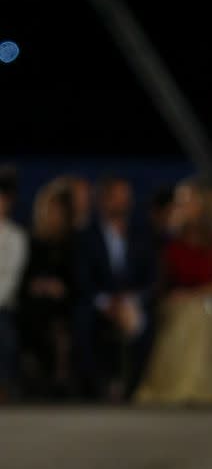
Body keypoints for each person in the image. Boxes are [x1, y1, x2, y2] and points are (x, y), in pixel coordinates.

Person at [134, 177, 212, 406]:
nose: (181, 206)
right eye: (179, 201)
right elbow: (159, 283)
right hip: (173, 304)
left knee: (196, 315)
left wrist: (192, 296)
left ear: (201, 205)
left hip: (207, 304)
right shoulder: (168, 241)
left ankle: (194, 384)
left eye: (187, 201)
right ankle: (171, 384)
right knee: (186, 315)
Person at [73, 175, 158, 401]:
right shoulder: (85, 236)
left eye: (125, 197)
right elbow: (82, 279)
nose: (123, 203)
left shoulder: (141, 235)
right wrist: (106, 303)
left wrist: (132, 300)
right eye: (116, 197)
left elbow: (151, 278)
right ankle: (96, 389)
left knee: (148, 322)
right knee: (83, 320)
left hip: (133, 301)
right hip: (98, 302)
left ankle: (133, 388)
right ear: (103, 200)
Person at [17, 178, 77, 398]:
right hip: (34, 303)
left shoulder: (73, 242)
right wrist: (40, 285)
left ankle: (60, 376)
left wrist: (60, 288)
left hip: (65, 301)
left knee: (60, 319)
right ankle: (44, 375)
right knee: (38, 312)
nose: (53, 214)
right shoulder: (32, 240)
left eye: (58, 209)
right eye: (49, 208)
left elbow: (76, 280)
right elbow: (23, 279)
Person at [0, 166, 29, 401]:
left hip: (3, 306)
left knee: (5, 333)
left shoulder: (17, 237)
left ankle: (4, 386)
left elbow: (10, 279)